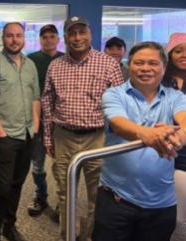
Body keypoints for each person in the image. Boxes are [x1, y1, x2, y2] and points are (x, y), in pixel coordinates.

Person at [93, 41, 186, 241]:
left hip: (162, 202)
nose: (146, 68)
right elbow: (119, 123)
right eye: (139, 63)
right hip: (116, 198)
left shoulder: (175, 97)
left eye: (153, 63)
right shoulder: (113, 94)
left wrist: (181, 136)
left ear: (164, 68)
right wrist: (144, 134)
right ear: (129, 65)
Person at [41, 16, 124, 240]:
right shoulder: (56, 65)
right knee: (64, 193)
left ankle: (90, 237)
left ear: (90, 34)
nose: (77, 38)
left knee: (97, 194)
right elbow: (47, 103)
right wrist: (47, 137)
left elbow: (120, 105)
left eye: (81, 32)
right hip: (63, 137)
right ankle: (68, 236)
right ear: (66, 37)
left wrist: (117, 141)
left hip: (98, 139)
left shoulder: (108, 63)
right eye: (72, 33)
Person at [0, 22, 40, 241]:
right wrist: (0, 132)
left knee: (17, 185)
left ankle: (9, 226)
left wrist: (35, 125)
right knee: (1, 188)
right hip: (4, 137)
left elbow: (35, 96)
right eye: (9, 36)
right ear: (3, 38)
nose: (14, 40)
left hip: (27, 135)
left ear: (24, 38)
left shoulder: (30, 65)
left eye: (18, 35)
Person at [26, 24, 64, 216]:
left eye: (52, 36)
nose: (48, 40)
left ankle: (63, 202)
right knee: (38, 163)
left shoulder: (66, 59)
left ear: (58, 39)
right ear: (40, 40)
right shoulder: (31, 60)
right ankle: (41, 197)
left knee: (62, 164)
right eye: (45, 37)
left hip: (61, 120)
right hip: (38, 119)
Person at [162, 33, 186, 241]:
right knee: (174, 218)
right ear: (170, 54)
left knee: (182, 220)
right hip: (167, 158)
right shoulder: (159, 82)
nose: (185, 55)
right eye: (178, 50)